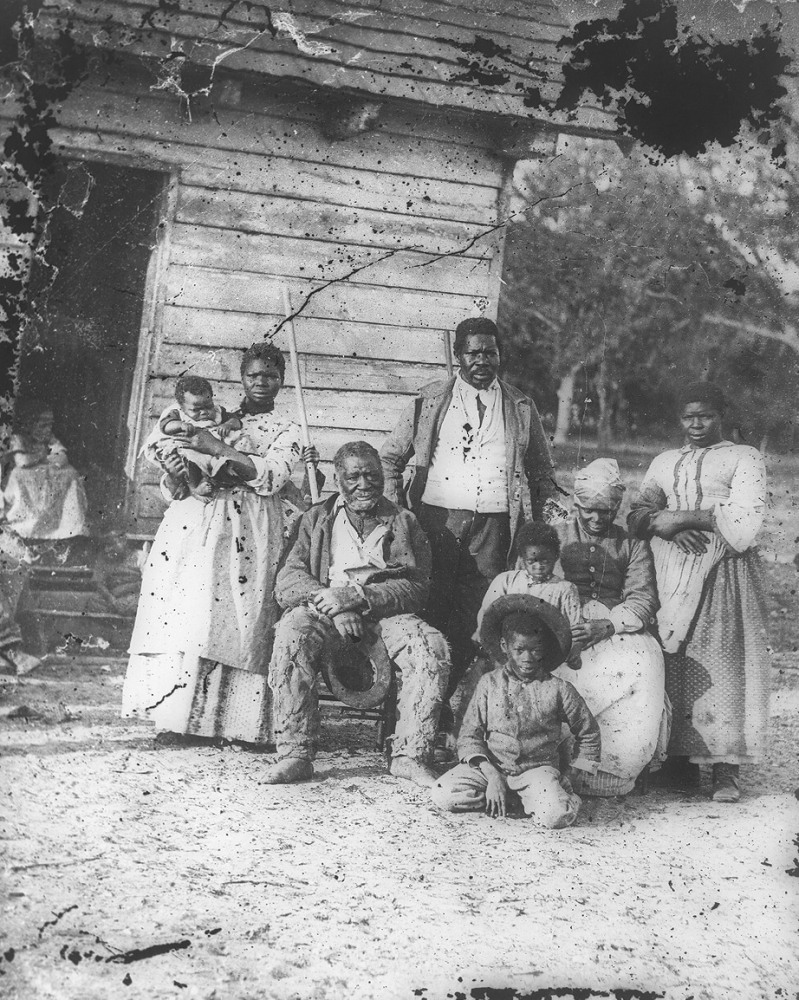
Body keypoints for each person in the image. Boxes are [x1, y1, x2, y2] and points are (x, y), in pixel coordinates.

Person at [122, 343, 310, 746]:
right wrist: (175, 473)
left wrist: (217, 448)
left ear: (282, 379)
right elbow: (175, 472)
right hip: (197, 519)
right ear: (241, 377)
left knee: (243, 619)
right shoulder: (212, 413)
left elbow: (273, 477)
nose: (262, 382)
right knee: (191, 612)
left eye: (271, 375)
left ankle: (240, 726)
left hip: (251, 524)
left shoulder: (290, 428)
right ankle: (180, 721)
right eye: (254, 375)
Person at [380, 316, 557, 691]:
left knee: (474, 617)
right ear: (458, 355)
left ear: (500, 356)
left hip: (492, 529)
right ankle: (408, 708)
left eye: (490, 353)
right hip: (436, 523)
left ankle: (441, 705)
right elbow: (389, 460)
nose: (482, 361)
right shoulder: (430, 400)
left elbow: (542, 475)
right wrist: (400, 514)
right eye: (473, 353)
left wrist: (535, 534)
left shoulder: (521, 405)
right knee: (428, 609)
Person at [265, 441, 451, 787]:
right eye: (353, 477)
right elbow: (288, 581)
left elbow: (416, 587)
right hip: (323, 609)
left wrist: (356, 597)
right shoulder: (317, 518)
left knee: (429, 645)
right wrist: (330, 602)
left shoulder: (403, 520)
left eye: (372, 475)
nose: (364, 484)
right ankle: (295, 752)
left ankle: (411, 754)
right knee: (292, 631)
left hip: (381, 612)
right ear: (338, 479)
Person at [628, 382, 769, 803]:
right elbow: (638, 514)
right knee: (674, 661)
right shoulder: (664, 461)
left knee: (722, 660)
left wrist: (676, 518)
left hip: (723, 567)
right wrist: (666, 524)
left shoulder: (744, 457)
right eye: (688, 416)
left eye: (704, 415)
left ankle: (726, 769)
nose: (696, 424)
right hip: (669, 568)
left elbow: (745, 515)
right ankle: (678, 762)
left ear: (721, 415)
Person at [551, 458, 667, 797]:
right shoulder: (556, 535)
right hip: (562, 619)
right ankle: (554, 760)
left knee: (643, 662)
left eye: (607, 511)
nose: (597, 519)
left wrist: (607, 625)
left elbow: (643, 599)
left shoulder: (631, 542)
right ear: (576, 504)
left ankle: (614, 770)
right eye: (589, 510)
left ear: (617, 507)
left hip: (615, 625)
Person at [431, 597, 600, 828]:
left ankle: (549, 798)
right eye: (519, 650)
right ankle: (509, 797)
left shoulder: (559, 689)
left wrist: (573, 776)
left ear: (545, 649)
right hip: (492, 767)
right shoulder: (488, 683)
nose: (527, 658)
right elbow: (469, 735)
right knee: (443, 794)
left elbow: (588, 732)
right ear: (504, 646)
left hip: (537, 771)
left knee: (555, 816)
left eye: (535, 650)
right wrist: (492, 776)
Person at [1, 399, 90, 542]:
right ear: (30, 424)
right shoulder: (18, 438)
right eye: (42, 425)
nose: (47, 429)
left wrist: (46, 459)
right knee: (19, 476)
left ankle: (64, 526)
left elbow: (62, 456)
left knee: (70, 473)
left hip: (43, 473)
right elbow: (23, 462)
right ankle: (26, 524)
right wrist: (44, 457)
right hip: (20, 476)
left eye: (50, 425)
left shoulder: (49, 438)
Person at [143, 375, 243, 502]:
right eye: (196, 409)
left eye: (208, 406)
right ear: (182, 406)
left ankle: (209, 482)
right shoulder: (177, 413)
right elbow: (165, 425)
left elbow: (236, 421)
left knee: (220, 465)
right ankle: (194, 488)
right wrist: (181, 425)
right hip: (188, 448)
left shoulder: (219, 411)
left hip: (211, 448)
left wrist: (227, 425)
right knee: (189, 461)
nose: (204, 412)